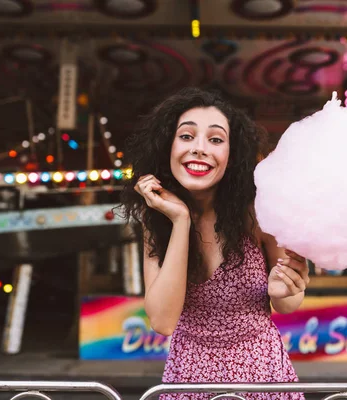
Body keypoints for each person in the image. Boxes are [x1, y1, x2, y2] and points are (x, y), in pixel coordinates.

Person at [120, 87, 308, 400]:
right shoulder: (156, 218)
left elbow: (288, 303)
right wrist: (180, 221)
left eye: (216, 139)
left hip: (259, 373)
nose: (200, 149)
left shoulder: (257, 210)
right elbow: (163, 321)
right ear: (168, 146)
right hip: (188, 376)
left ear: (231, 155)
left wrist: (288, 287)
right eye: (186, 136)